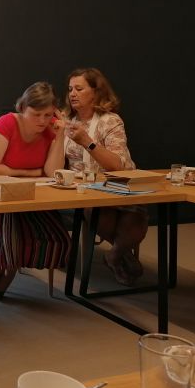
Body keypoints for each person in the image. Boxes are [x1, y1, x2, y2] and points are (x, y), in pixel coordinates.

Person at [0, 82, 69, 298]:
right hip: (0, 197)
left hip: (35, 197)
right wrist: (31, 173)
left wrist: (60, 136)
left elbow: (52, 172)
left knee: (60, 240)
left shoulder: (52, 130)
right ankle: (5, 270)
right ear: (22, 108)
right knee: (15, 240)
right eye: (36, 114)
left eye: (48, 115)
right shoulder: (7, 123)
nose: (42, 121)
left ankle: (0, 266)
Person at [62, 67, 147, 286]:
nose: (72, 94)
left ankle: (114, 255)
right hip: (83, 190)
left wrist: (87, 142)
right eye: (70, 89)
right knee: (99, 211)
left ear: (96, 92)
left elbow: (118, 166)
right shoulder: (66, 121)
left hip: (118, 184)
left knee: (137, 218)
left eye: (79, 89)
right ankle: (122, 255)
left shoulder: (110, 121)